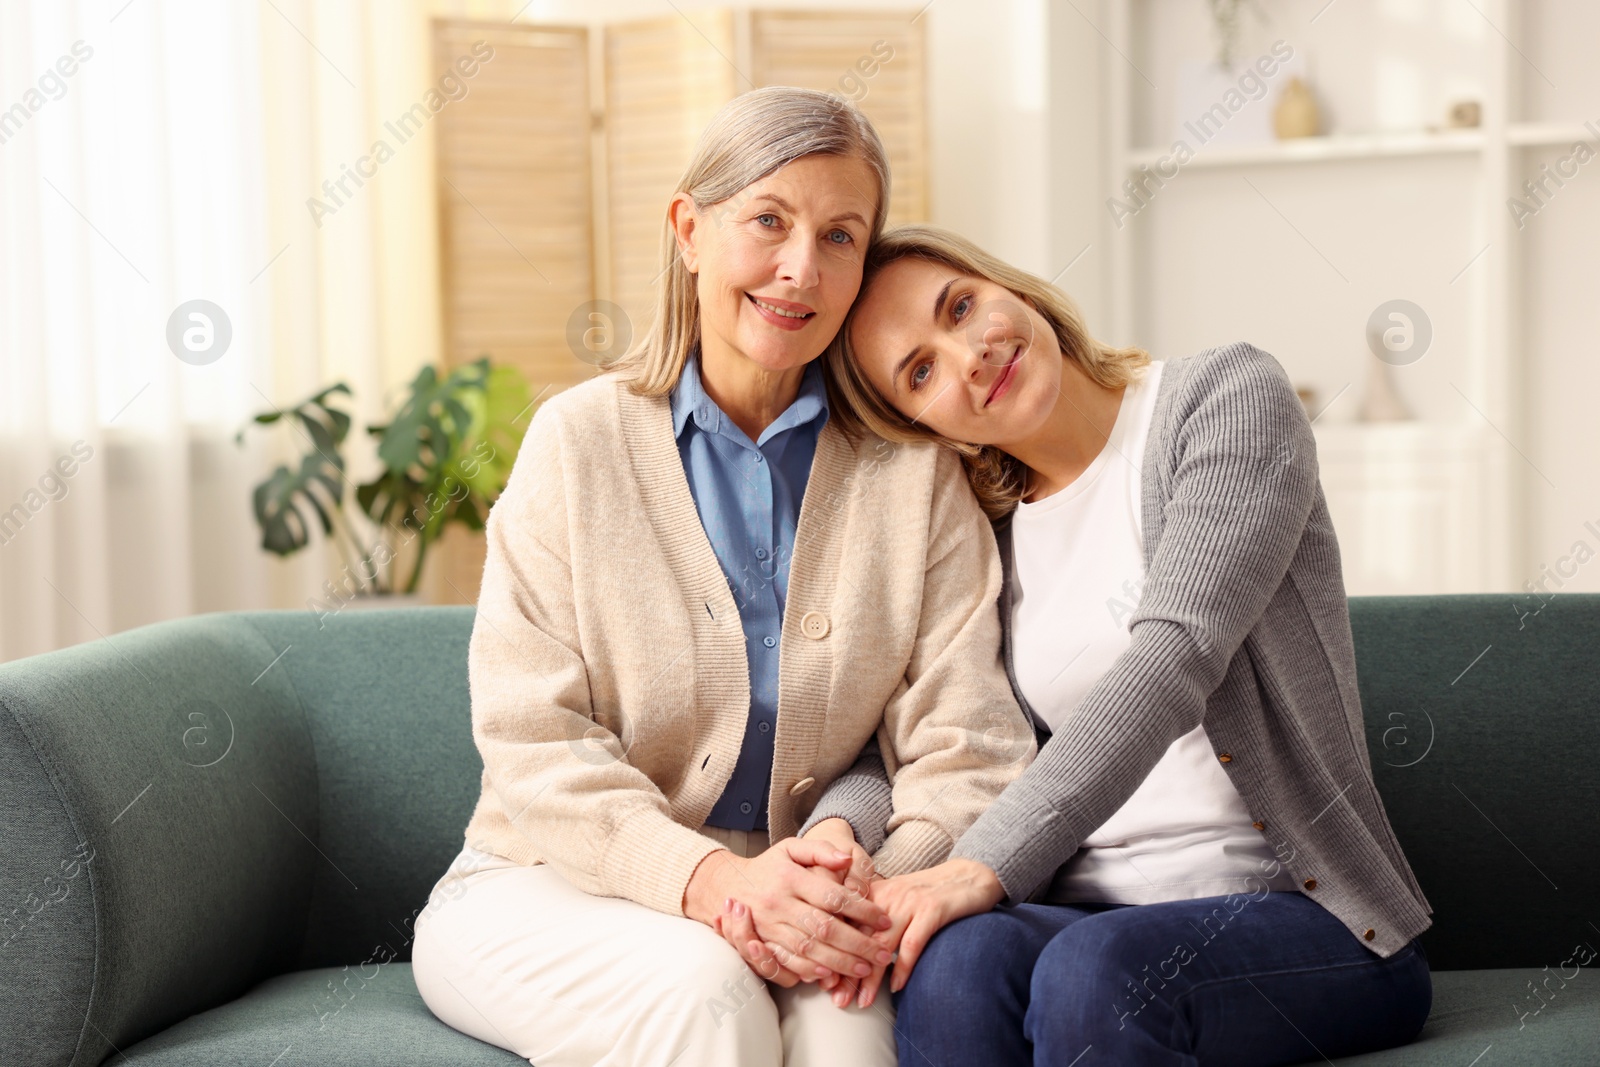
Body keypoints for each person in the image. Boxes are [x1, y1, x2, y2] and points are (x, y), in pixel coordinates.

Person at [409, 95, 1035, 1067]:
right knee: (705, 998)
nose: (801, 268)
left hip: (820, 897)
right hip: (544, 881)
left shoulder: (914, 473)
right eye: (768, 221)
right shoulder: (578, 442)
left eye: (840, 236)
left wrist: (848, 893)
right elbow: (535, 740)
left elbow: (970, 744)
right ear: (688, 229)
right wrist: (709, 879)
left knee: (849, 1043)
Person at [729, 224, 1435, 1066]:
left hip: (1306, 915)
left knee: (1093, 973)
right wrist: (842, 829)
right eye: (920, 371)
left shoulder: (1226, 399)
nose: (970, 355)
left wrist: (979, 865)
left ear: (1011, 288)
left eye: (961, 307)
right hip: (1084, 909)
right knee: (953, 967)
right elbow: (922, 729)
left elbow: (1172, 662)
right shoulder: (983, 532)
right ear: (925, 425)